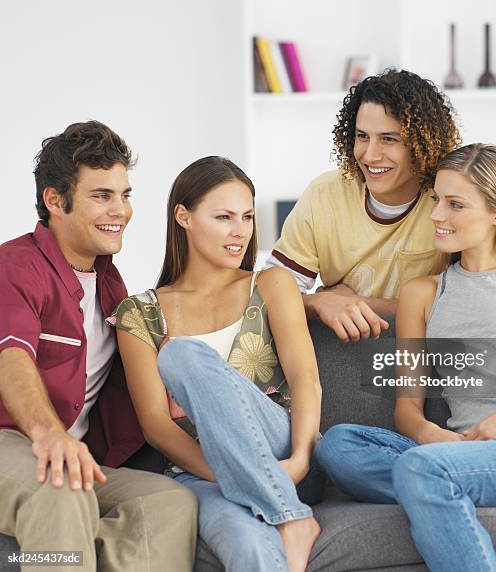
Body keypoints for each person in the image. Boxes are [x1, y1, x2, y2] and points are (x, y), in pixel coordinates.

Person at [315, 144, 496, 571]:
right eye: (435, 201)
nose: (436, 215)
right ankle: (454, 489)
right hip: (455, 453)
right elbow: (407, 410)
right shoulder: (423, 293)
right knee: (338, 445)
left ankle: (444, 485)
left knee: (422, 471)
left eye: (455, 204)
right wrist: (433, 438)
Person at [0, 121, 197, 571]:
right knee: (61, 486)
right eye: (101, 195)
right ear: (55, 201)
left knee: (168, 503)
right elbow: (11, 357)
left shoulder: (110, 283)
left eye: (125, 195)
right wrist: (50, 435)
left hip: (78, 455)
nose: (121, 210)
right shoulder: (15, 265)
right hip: (12, 442)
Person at [110, 156, 323, 572]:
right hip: (200, 472)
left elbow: (306, 380)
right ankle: (288, 518)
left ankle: (294, 516)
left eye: (246, 216)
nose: (240, 231)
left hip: (282, 454)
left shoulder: (271, 284)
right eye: (223, 217)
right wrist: (226, 473)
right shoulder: (139, 313)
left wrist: (299, 459)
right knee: (245, 544)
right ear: (183, 217)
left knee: (180, 354)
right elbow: (156, 425)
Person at [266, 69, 461, 342]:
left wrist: (359, 303)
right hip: (342, 353)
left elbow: (470, 303)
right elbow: (267, 296)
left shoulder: (450, 199)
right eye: (362, 136)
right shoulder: (324, 195)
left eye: (389, 139)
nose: (370, 155)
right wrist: (319, 304)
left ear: (422, 144)